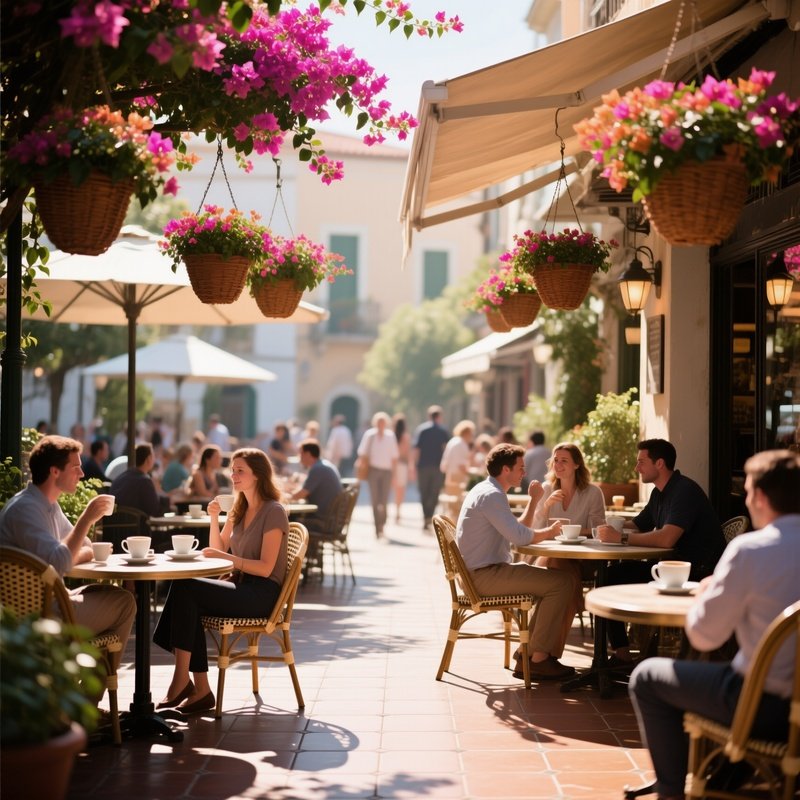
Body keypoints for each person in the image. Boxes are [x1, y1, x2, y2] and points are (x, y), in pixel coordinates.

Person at [629, 449, 800, 800]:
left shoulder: (751, 550)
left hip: (763, 706)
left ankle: (671, 791)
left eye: (748, 492)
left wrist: (710, 592)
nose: (747, 500)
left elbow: (705, 637)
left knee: (646, 677)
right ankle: (727, 774)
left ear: (762, 497)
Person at [153, 448, 289, 713]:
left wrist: (229, 560)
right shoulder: (240, 508)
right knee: (186, 591)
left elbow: (265, 568)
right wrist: (214, 518)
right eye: (232, 470)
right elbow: (219, 548)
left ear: (258, 476)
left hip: (262, 596)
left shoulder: (274, 512)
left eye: (240, 471)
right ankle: (197, 688)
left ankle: (185, 683)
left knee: (186, 588)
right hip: (242, 587)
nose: (233, 475)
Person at [0, 436, 136, 667]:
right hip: (40, 616)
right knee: (126, 604)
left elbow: (85, 549)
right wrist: (87, 518)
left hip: (52, 599)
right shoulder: (25, 510)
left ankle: (79, 692)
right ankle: (86, 701)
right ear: (54, 471)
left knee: (112, 594)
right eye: (76, 467)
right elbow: (61, 561)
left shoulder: (48, 504)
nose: (82, 474)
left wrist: (66, 554)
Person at [597, 438, 727, 663]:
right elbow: (638, 524)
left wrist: (621, 537)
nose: (636, 468)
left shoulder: (684, 490)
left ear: (659, 464)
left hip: (695, 573)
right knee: (610, 574)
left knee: (612, 576)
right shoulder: (659, 493)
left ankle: (622, 653)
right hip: (671, 568)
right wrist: (606, 524)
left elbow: (667, 539)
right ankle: (621, 652)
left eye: (641, 462)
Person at [456, 443, 576, 680]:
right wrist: (551, 531)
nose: (524, 471)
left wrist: (533, 501)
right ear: (505, 470)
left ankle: (527, 653)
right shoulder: (491, 496)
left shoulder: (487, 490)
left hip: (483, 573)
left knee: (557, 581)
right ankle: (538, 658)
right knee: (562, 583)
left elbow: (518, 529)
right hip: (483, 577)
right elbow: (519, 537)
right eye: (520, 467)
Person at [531, 442, 607, 642]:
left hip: (584, 560)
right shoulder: (547, 489)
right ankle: (576, 602)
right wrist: (546, 506)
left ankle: (532, 653)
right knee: (558, 566)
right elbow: (533, 530)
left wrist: (570, 532)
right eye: (555, 460)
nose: (558, 464)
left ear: (576, 465)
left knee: (558, 570)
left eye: (564, 460)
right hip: (553, 557)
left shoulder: (592, 492)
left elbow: (600, 530)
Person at [357, 411, 399, 538]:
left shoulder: (390, 436)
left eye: (383, 422)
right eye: (379, 422)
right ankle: (377, 527)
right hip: (373, 470)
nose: (381, 424)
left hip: (387, 471)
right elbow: (362, 452)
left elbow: (394, 457)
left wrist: (394, 475)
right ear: (375, 423)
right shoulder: (369, 435)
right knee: (375, 500)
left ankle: (383, 523)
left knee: (384, 500)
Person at [413, 405, 450, 530]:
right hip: (437, 467)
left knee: (424, 492)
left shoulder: (422, 430)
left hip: (423, 466)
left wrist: (414, 465)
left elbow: (417, 449)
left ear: (429, 416)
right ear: (439, 416)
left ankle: (426, 516)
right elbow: (446, 449)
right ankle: (429, 517)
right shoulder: (443, 431)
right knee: (434, 492)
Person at [291, 439, 342, 529]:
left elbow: (301, 494)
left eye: (301, 454)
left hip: (322, 520)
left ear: (308, 454)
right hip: (331, 518)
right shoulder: (323, 465)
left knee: (288, 517)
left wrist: (284, 497)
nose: (299, 457)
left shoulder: (318, 469)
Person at [109, 442, 169, 516]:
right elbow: (154, 510)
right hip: (136, 525)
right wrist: (167, 501)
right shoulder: (145, 481)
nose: (155, 459)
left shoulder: (120, 477)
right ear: (148, 459)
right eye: (154, 456)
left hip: (115, 524)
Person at [440, 420, 476, 494]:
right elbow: (461, 466)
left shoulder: (453, 441)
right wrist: (473, 474)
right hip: (458, 480)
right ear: (467, 433)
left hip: (450, 478)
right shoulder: (461, 444)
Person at [392, 413, 414, 523]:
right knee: (401, 490)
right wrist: (411, 467)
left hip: (392, 465)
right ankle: (397, 511)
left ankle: (393, 511)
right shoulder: (406, 437)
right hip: (402, 465)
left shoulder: (391, 435)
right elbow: (408, 453)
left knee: (393, 489)